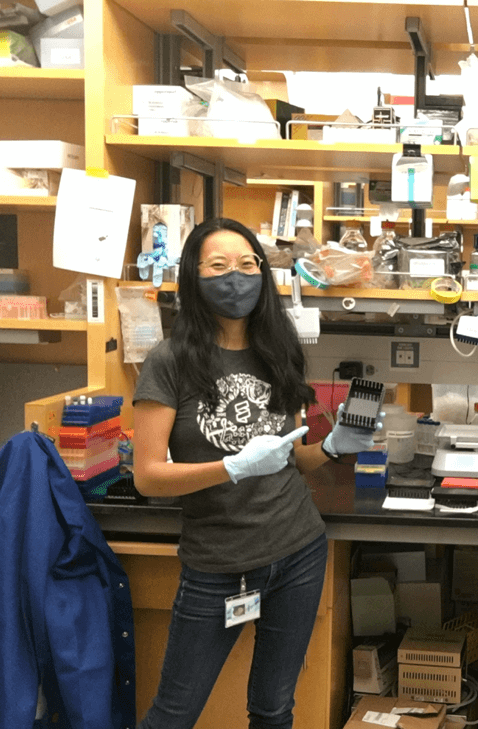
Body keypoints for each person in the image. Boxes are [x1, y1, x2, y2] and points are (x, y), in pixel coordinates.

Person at [132, 217, 378, 729]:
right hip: (218, 563)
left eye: (248, 265)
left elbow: (293, 457)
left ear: (264, 275)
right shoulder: (170, 360)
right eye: (218, 266)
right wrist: (232, 466)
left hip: (299, 552)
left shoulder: (277, 349)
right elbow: (148, 477)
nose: (236, 278)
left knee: (273, 709)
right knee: (173, 714)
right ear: (193, 278)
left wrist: (332, 445)